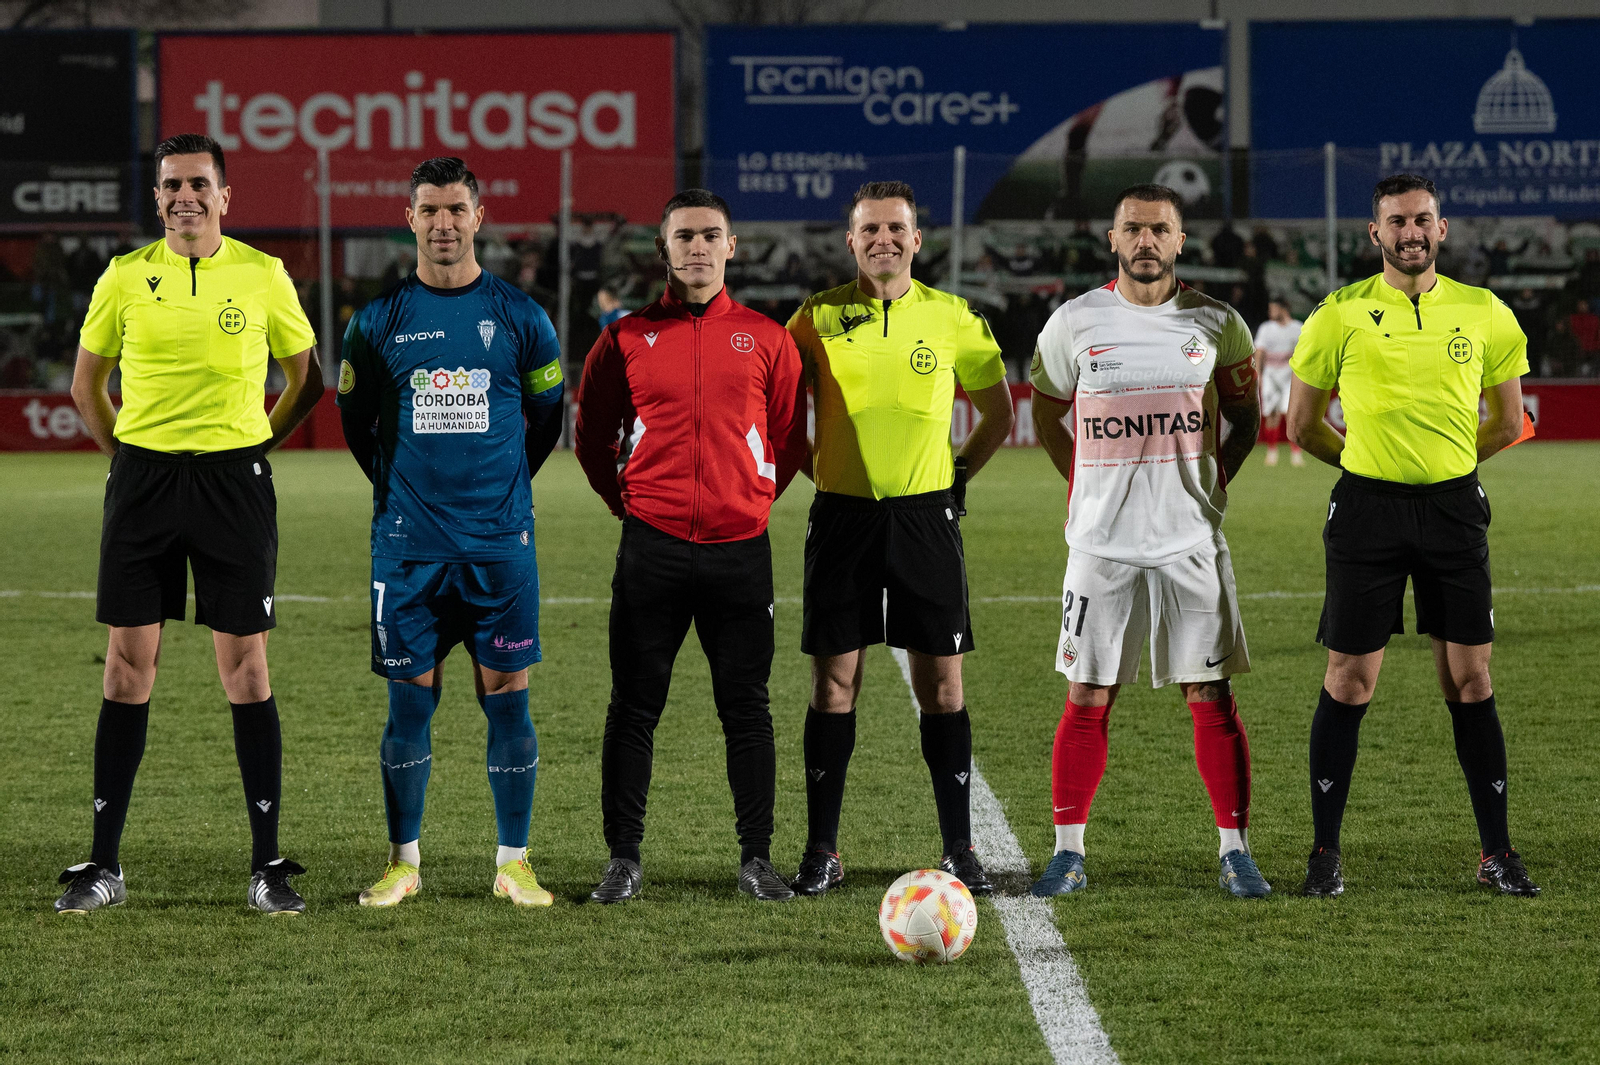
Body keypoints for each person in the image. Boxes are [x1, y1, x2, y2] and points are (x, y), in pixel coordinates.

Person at [58, 132, 323, 915]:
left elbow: (304, 378)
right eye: (172, 185)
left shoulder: (263, 273)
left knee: (246, 669)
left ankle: (266, 866)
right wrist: (130, 457)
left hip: (233, 484)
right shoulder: (125, 276)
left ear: (225, 196)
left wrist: (251, 446)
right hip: (142, 480)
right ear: (158, 197)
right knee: (125, 666)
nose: (185, 198)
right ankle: (104, 866)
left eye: (199, 185)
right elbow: (86, 384)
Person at [1287, 173, 1537, 898]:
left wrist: (1447, 467)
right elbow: (1303, 425)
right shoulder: (1338, 316)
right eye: (1397, 221)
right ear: (1376, 234)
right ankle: (1325, 853)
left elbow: (1506, 420)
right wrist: (1370, 466)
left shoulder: (1485, 313)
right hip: (1367, 512)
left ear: (1442, 227)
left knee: (1471, 678)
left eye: (1422, 219)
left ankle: (1497, 853)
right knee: (1348, 678)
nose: (1411, 232)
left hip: (1454, 511)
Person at [1027, 183, 1268, 900]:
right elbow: (1046, 409)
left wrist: (1214, 484)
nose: (1145, 241)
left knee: (1210, 690)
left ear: (1180, 239)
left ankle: (1235, 851)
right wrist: (1079, 480)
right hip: (1101, 541)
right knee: (1089, 690)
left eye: (1159, 229)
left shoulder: (1217, 322)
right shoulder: (1074, 322)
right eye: (1133, 228)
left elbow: (1246, 413)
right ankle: (1069, 852)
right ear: (1112, 238)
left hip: (1191, 537)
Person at [336, 157, 564, 909]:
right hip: (407, 551)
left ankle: (514, 861)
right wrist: (407, 494)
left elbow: (545, 424)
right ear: (409, 218)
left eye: (455, 209)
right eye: (429, 210)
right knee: (408, 705)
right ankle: (404, 861)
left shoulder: (524, 318)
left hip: (500, 547)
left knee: (509, 700)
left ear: (479, 214)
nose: (443, 223)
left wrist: (496, 496)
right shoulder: (376, 323)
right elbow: (356, 424)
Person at [574, 189, 806, 904]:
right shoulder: (624, 337)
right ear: (663, 249)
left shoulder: (769, 338)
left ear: (731, 247)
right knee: (633, 707)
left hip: (741, 550)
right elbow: (591, 438)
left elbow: (791, 437)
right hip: (653, 550)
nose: (698, 248)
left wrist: (754, 500)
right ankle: (623, 859)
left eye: (711, 236)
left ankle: (757, 859)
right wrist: (632, 508)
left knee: (748, 707)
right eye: (684, 237)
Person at [785, 180, 1014, 897]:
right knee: (833, 682)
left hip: (925, 520)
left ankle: (959, 847)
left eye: (896, 229)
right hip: (842, 518)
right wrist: (817, 469)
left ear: (918, 240)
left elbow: (998, 412)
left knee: (942, 685)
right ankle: (823, 848)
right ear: (850, 241)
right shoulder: (813, 318)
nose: (883, 239)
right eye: (869, 229)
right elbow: (784, 417)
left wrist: (955, 478)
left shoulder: (952, 318)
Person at [1255, 295, 1305, 466]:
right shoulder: (1266, 328)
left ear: (1283, 309)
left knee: (1290, 413)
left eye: (1273, 309)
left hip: (1289, 374)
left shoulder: (1298, 328)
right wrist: (1259, 375)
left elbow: (1305, 352)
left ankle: (1296, 453)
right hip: (1270, 374)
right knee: (1272, 413)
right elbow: (1259, 351)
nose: (1270, 312)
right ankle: (1272, 451)